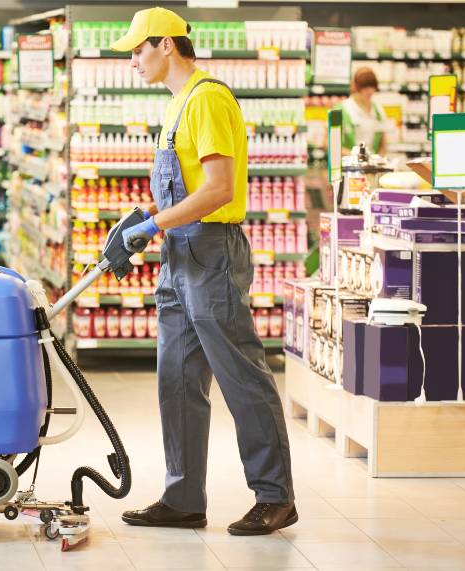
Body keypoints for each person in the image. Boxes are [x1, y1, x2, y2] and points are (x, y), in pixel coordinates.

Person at [111, 8, 297, 536]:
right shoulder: (176, 106)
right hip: (178, 256)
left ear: (167, 44)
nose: (133, 61)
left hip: (212, 253)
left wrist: (153, 222)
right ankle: (183, 497)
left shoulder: (207, 97)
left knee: (241, 376)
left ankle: (274, 496)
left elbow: (219, 188)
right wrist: (151, 224)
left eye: (139, 49)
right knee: (177, 379)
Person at [336, 67, 389, 155]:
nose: (369, 91)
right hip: (348, 165)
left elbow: (383, 146)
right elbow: (329, 144)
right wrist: (355, 157)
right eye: (365, 87)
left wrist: (375, 161)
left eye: (372, 87)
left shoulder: (378, 110)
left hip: (371, 166)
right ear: (354, 86)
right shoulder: (341, 109)